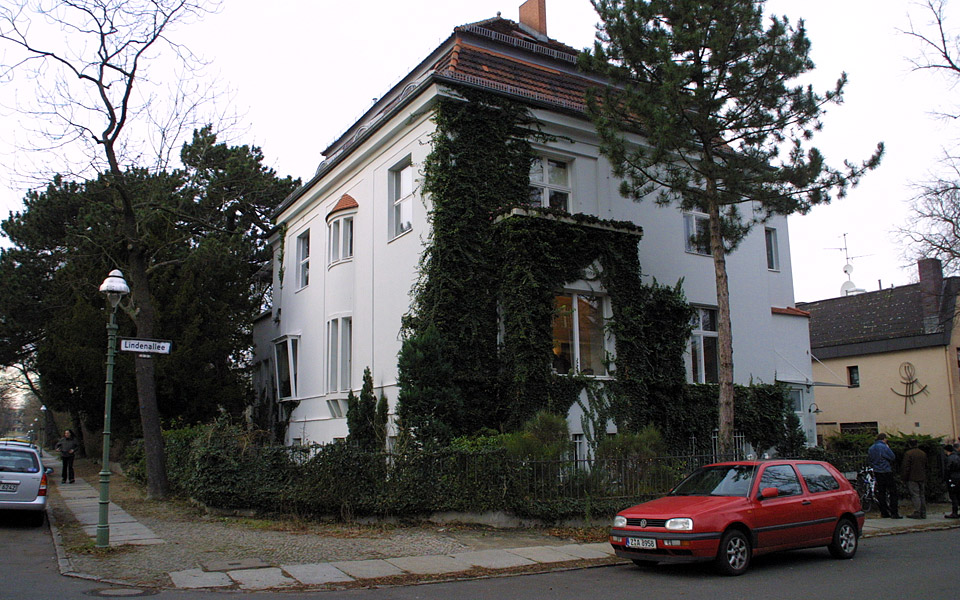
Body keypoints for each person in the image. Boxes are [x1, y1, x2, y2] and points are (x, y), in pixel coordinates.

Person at [867, 433, 902, 518]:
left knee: (881, 492)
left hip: (877, 471)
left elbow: (870, 460)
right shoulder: (884, 447)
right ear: (884, 439)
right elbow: (892, 457)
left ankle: (884, 512)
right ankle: (894, 512)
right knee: (893, 491)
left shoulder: (871, 448)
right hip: (886, 470)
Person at [901, 438, 927, 519]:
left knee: (915, 495)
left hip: (912, 477)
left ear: (909, 445)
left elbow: (906, 467)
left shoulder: (908, 454)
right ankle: (923, 512)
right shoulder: (922, 453)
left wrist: (904, 477)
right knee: (922, 495)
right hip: (922, 476)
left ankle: (917, 511)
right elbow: (926, 465)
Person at [945, 444, 960, 519]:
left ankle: (954, 512)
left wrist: (946, 478)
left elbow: (948, 469)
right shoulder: (958, 457)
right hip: (958, 477)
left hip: (952, 478)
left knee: (953, 495)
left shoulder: (950, 458)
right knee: (958, 495)